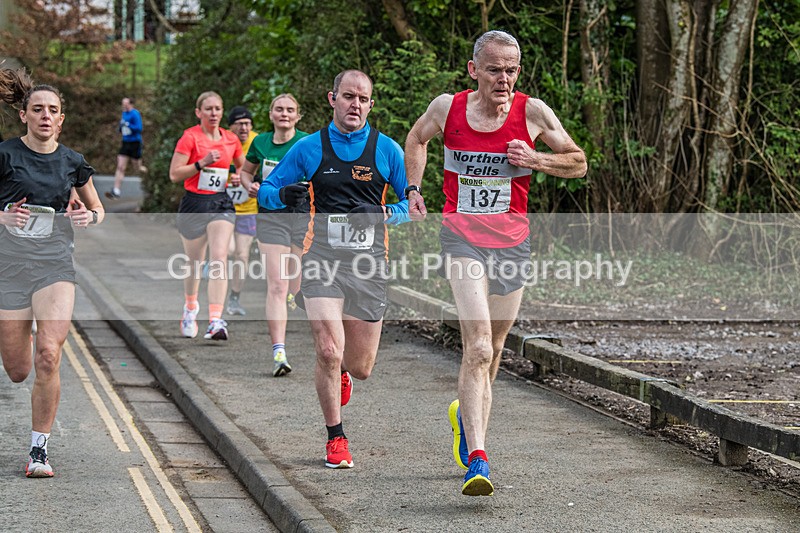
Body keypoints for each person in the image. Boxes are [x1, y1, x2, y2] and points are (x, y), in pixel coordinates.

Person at [405, 30, 587, 496]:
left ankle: (463, 418)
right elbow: (417, 138)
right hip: (462, 240)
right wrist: (412, 189)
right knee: (479, 346)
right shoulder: (448, 108)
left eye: (511, 70)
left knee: (497, 350)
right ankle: (479, 458)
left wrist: (537, 159)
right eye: (493, 70)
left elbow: (579, 162)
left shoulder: (534, 113)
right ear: (473, 71)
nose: (503, 79)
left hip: (512, 243)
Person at [259, 70, 409, 468]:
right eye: (348, 97)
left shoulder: (387, 150)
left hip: (368, 264)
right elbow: (267, 190)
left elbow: (413, 207)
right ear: (332, 99)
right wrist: (283, 195)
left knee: (359, 367)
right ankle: (336, 438)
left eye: (363, 99)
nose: (355, 105)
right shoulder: (309, 149)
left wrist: (381, 213)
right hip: (321, 259)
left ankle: (343, 371)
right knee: (327, 349)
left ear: (371, 105)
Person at [0, 68, 106, 477]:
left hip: (54, 265)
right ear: (24, 115)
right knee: (17, 370)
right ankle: (18, 331)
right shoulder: (5, 155)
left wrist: (86, 216)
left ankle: (38, 450)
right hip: (9, 268)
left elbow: (98, 209)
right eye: (38, 109)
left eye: (53, 110)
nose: (46, 116)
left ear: (61, 119)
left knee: (48, 354)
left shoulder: (73, 162)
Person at [240, 94, 309, 377]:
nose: (284, 114)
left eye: (290, 110)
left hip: (302, 215)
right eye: (279, 109)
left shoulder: (307, 143)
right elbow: (245, 173)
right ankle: (279, 351)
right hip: (271, 215)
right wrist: (251, 186)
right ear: (271, 114)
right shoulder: (260, 143)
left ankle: (294, 297)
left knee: (296, 281)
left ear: (298, 116)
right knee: (277, 285)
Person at [169, 91, 245, 341]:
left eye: (218, 109)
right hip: (194, 203)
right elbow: (174, 174)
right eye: (209, 109)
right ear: (198, 112)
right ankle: (190, 307)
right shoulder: (190, 137)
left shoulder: (231, 139)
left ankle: (215, 320)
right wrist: (201, 163)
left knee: (219, 257)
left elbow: (244, 169)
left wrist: (237, 177)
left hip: (220, 202)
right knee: (194, 264)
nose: (214, 113)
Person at [224, 106, 258, 317]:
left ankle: (234, 298)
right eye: (239, 123)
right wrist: (231, 177)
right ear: (231, 126)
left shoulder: (257, 142)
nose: (244, 127)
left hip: (248, 209)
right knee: (227, 251)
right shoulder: (222, 141)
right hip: (223, 207)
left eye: (247, 123)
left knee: (242, 255)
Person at [106, 97, 145, 199]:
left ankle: (150, 177)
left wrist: (128, 125)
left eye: (125, 103)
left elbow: (139, 128)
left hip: (135, 143)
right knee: (120, 167)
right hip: (125, 142)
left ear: (130, 104)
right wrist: (121, 128)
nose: (123, 105)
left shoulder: (135, 114)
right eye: (122, 103)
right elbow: (122, 127)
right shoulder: (124, 113)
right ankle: (116, 190)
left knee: (138, 168)